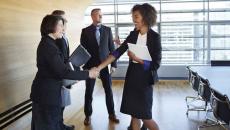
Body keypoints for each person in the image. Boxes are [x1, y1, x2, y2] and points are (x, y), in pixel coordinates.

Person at [97, 3, 162, 130]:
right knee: (134, 115)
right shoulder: (133, 34)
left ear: (146, 17)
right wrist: (99, 67)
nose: (133, 20)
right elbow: (118, 52)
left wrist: (137, 59)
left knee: (145, 116)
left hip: (145, 81)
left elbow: (156, 64)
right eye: (133, 16)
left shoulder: (155, 37)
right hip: (132, 78)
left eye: (136, 16)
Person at [30, 15, 99, 130]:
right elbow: (63, 72)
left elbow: (60, 68)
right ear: (51, 26)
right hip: (46, 95)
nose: (63, 29)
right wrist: (88, 74)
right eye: (61, 25)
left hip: (48, 93)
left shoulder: (50, 43)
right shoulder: (48, 46)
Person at [80, 8, 119, 125]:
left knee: (109, 91)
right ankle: (87, 115)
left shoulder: (107, 30)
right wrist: (85, 68)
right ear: (92, 16)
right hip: (91, 67)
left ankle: (111, 113)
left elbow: (112, 48)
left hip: (105, 66)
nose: (101, 17)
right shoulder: (85, 31)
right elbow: (83, 50)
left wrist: (113, 64)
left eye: (102, 15)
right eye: (99, 15)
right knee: (89, 92)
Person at [51, 10, 75, 130]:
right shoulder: (55, 38)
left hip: (66, 73)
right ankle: (58, 126)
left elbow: (66, 56)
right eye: (63, 20)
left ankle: (60, 125)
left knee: (63, 103)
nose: (66, 22)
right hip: (60, 76)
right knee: (59, 104)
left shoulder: (63, 36)